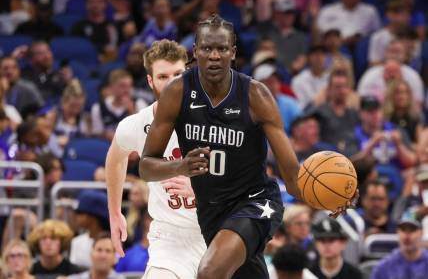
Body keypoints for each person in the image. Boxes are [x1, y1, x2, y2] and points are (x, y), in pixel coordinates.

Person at [139, 15, 353, 279]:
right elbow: (146, 166)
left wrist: (326, 197)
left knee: (209, 272)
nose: (214, 56)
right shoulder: (178, 92)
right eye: (207, 48)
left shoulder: (256, 96)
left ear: (233, 53)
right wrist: (180, 166)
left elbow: (291, 173)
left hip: (255, 203)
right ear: (195, 52)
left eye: (222, 49)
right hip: (211, 211)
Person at [106, 39, 206, 279]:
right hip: (170, 237)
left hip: (218, 229)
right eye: (163, 76)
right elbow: (115, 159)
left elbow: (245, 172)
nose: (172, 82)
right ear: (150, 81)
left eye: (178, 74)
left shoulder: (216, 117)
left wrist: (203, 188)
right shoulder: (136, 124)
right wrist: (114, 212)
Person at [69, 190, 110, 269]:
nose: (75, 216)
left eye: (80, 212)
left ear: (93, 216)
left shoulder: (114, 244)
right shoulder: (77, 242)